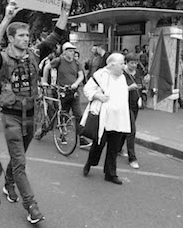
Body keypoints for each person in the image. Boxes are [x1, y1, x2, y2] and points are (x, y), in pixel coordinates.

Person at [0, 0, 72, 224]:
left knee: (19, 157)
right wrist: (7, 18)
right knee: (20, 161)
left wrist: (65, 10)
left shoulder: (35, 54)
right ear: (11, 38)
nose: (26, 39)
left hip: (31, 115)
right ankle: (31, 205)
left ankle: (8, 183)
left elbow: (56, 35)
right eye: (22, 36)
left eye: (28, 35)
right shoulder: (1, 59)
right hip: (11, 117)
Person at [81, 53, 131, 185]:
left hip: (118, 117)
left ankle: (110, 174)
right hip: (103, 117)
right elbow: (87, 89)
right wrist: (98, 96)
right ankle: (89, 163)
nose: (124, 66)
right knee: (99, 144)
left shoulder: (122, 78)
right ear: (112, 64)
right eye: (121, 63)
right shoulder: (100, 75)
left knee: (114, 147)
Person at [41, 42, 88, 147]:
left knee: (78, 115)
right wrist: (44, 81)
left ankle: (81, 138)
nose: (72, 53)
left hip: (74, 92)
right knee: (63, 114)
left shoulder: (76, 63)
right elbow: (47, 68)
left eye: (73, 51)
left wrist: (76, 84)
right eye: (70, 51)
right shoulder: (59, 60)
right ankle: (62, 135)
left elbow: (81, 75)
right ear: (64, 51)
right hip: (62, 92)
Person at [120, 53, 143, 169]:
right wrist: (129, 88)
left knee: (126, 128)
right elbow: (117, 90)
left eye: (136, 63)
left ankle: (119, 148)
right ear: (126, 62)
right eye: (132, 63)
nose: (134, 65)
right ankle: (132, 158)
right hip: (125, 105)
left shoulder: (138, 72)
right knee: (131, 130)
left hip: (135, 104)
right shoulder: (121, 74)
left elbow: (140, 84)